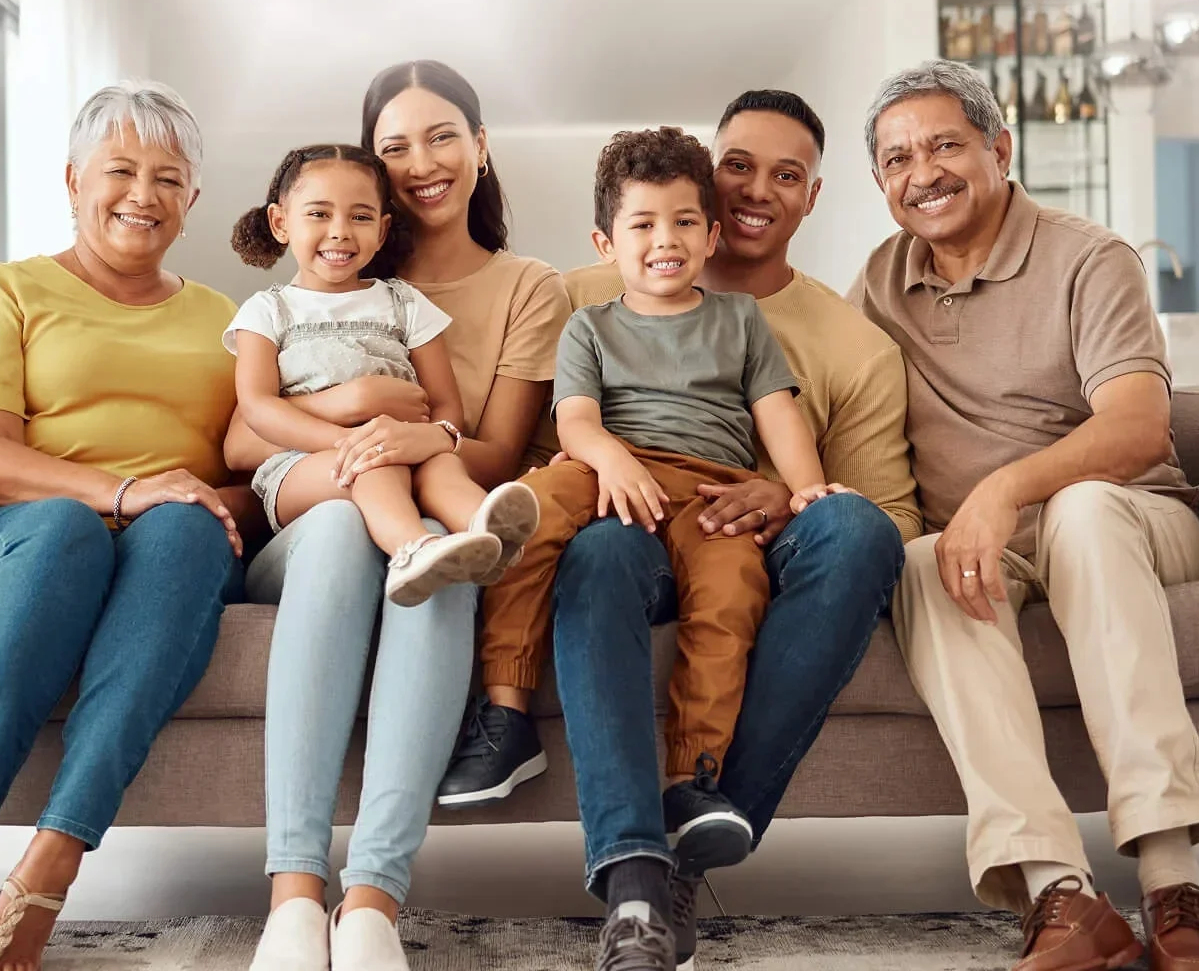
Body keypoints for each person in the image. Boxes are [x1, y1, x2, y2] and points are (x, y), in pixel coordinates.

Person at [448, 90, 914, 971]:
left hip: (719, 504)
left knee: (813, 548)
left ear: (810, 196)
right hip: (608, 505)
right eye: (737, 165)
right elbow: (567, 421)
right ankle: (562, 781)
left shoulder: (824, 340)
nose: (752, 190)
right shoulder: (584, 303)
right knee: (576, 535)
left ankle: (696, 800)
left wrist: (797, 492)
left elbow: (857, 496)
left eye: (785, 174)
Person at [0, 81, 259, 971]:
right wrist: (123, 492)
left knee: (186, 533)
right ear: (73, 179)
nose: (141, 194)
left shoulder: (226, 321)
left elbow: (248, 473)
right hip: (7, 535)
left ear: (192, 200)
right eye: (119, 170)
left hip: (172, 544)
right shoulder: (4, 290)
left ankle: (53, 857)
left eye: (168, 178)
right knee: (65, 529)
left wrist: (203, 504)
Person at [854, 59, 1199, 971]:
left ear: (998, 149)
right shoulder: (880, 284)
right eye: (894, 159)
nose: (919, 172)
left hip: (1131, 520)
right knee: (924, 561)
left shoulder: (1090, 256)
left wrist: (1003, 490)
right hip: (985, 548)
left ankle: (1173, 881)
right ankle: (1061, 894)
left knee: (1083, 509)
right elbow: (828, 400)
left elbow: (1136, 426)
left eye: (942, 145)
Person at [238, 61, 570, 971]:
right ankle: (294, 895)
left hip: (425, 489)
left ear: (480, 147)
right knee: (355, 523)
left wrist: (410, 438)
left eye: (441, 136)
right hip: (317, 511)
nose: (421, 161)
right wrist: (359, 408)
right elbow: (240, 438)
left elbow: (492, 450)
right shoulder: (300, 295)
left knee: (451, 557)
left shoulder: (520, 287)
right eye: (395, 146)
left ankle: (374, 899)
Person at [227, 142, 540, 604]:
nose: (340, 232)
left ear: (382, 230)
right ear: (280, 222)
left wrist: (431, 436)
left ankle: (486, 530)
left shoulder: (404, 303)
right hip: (299, 467)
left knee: (441, 464)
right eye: (318, 214)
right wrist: (350, 443)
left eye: (359, 217)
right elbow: (257, 407)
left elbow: (446, 405)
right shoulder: (267, 311)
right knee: (374, 466)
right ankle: (413, 548)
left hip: (398, 444)